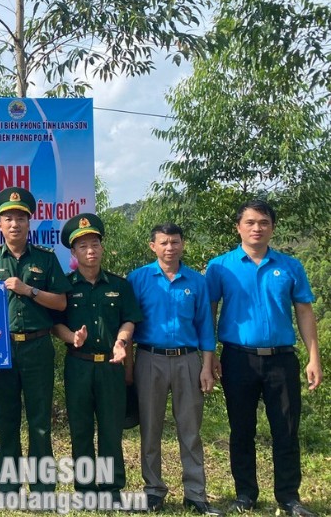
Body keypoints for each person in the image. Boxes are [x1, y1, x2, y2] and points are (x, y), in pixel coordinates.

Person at [206, 200, 322, 517]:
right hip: (237, 359)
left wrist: (314, 358)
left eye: (264, 222)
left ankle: (289, 497)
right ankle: (245, 494)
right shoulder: (220, 266)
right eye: (251, 222)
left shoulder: (290, 266)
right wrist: (211, 356)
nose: (257, 228)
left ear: (272, 227)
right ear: (238, 227)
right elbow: (209, 313)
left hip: (282, 361)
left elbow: (304, 312)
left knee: (286, 429)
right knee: (241, 429)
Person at [0, 186, 70, 493]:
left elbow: (62, 304)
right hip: (2, 350)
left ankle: (42, 488)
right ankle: (8, 487)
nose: (14, 224)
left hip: (38, 347)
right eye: (8, 218)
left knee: (40, 422)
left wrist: (29, 290)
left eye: (20, 218)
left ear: (30, 223)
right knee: (7, 421)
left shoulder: (46, 259)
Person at [127, 223, 220, 515]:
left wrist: (206, 366)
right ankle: (153, 491)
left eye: (175, 242)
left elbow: (206, 326)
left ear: (183, 244)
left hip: (188, 360)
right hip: (149, 358)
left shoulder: (196, 281)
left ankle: (195, 493)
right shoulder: (138, 279)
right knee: (150, 428)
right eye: (164, 243)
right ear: (152, 246)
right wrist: (128, 367)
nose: (170, 248)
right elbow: (128, 322)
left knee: (190, 429)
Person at [52, 213, 141, 502]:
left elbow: (130, 319)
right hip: (78, 365)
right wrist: (72, 338)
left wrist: (122, 341)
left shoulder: (120, 285)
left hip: (111, 367)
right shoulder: (65, 286)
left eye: (94, 244)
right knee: (80, 429)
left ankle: (112, 488)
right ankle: (86, 489)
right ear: (74, 253)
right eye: (83, 246)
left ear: (102, 247)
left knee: (110, 430)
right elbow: (56, 323)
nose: (90, 250)